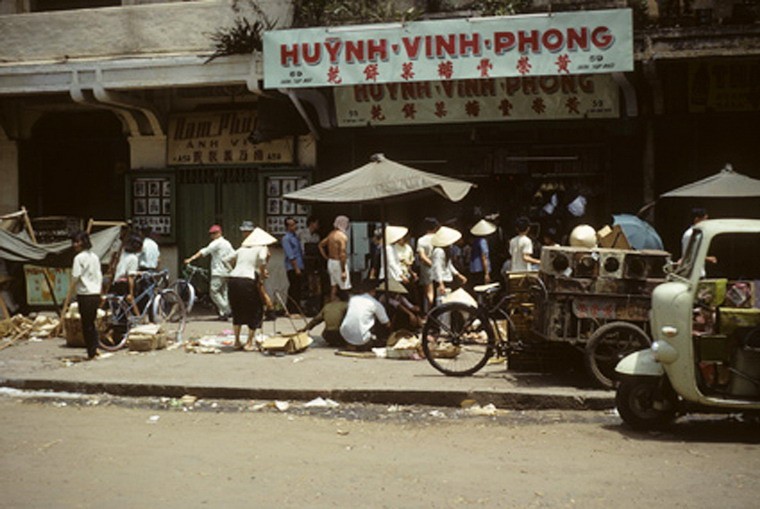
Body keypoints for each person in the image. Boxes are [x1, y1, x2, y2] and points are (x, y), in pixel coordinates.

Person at [225, 226, 275, 351]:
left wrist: (233, 270)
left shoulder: (242, 249)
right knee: (255, 309)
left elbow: (226, 259)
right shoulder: (262, 248)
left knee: (238, 309)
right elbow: (263, 260)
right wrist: (263, 273)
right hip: (247, 280)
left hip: (233, 280)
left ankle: (236, 341)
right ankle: (248, 343)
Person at [184, 224, 234, 320]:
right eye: (211, 234)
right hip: (227, 271)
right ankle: (223, 314)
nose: (212, 236)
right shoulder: (227, 243)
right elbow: (233, 255)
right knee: (224, 292)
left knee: (213, 292)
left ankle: (227, 310)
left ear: (219, 233)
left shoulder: (216, 243)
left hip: (218, 271)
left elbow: (204, 252)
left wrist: (190, 259)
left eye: (214, 233)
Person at [69, 230, 103, 360]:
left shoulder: (78, 258)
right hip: (94, 293)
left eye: (77, 242)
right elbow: (99, 275)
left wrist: (71, 290)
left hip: (85, 294)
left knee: (87, 324)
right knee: (91, 323)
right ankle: (94, 347)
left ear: (83, 243)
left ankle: (91, 351)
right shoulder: (94, 257)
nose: (75, 245)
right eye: (74, 242)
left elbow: (75, 276)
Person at [339, 278, 390, 351]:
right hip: (362, 338)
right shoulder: (375, 303)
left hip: (345, 335)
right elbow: (387, 323)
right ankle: (360, 345)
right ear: (373, 291)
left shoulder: (353, 299)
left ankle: (351, 345)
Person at [431, 226, 467, 304]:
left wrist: (458, 275)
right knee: (441, 302)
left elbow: (449, 265)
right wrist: (440, 283)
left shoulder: (447, 250)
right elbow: (437, 268)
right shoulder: (438, 251)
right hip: (441, 280)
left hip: (448, 278)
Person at [318, 215, 351, 301]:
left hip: (331, 262)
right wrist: (343, 271)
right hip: (338, 263)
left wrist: (326, 257)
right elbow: (342, 254)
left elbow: (320, 245)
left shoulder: (331, 234)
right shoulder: (342, 237)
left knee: (333, 286)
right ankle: (345, 307)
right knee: (344, 287)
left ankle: (332, 306)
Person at [112, 233, 143, 311]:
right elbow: (130, 277)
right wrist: (131, 293)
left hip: (117, 281)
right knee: (132, 299)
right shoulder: (133, 258)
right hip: (124, 284)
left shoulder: (124, 254)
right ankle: (138, 316)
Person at [282, 216, 305, 314]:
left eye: (295, 224)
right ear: (287, 227)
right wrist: (296, 268)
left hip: (300, 265)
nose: (294, 227)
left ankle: (296, 309)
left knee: (298, 289)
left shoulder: (296, 237)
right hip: (292, 267)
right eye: (291, 225)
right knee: (294, 288)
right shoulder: (286, 239)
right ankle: (291, 310)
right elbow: (291, 255)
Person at [417, 217, 439, 312]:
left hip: (426, 268)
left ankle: (429, 313)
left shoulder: (421, 240)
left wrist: (430, 264)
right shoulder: (438, 239)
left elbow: (422, 256)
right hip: (438, 267)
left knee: (429, 293)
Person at [469, 219, 496, 287]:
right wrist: (486, 273)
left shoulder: (475, 241)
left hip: (474, 269)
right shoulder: (483, 241)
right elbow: (484, 257)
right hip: (481, 269)